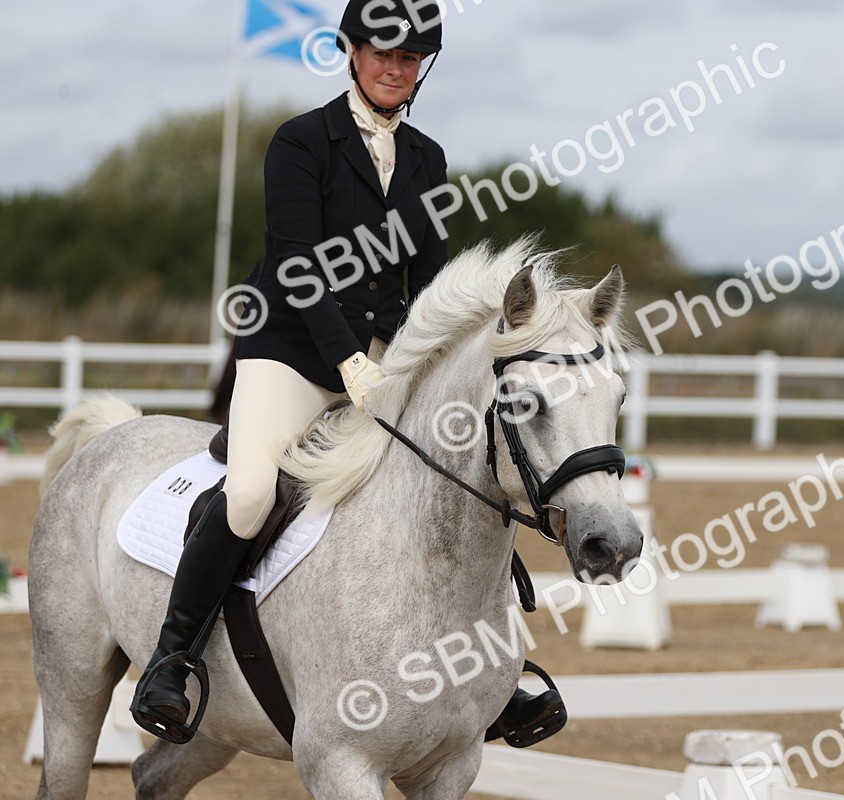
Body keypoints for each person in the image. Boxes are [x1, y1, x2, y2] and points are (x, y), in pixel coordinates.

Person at [131, 0, 564, 747]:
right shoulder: (301, 142)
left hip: (383, 356)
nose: (396, 70)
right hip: (290, 351)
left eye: (410, 59)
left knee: (463, 465)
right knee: (250, 492)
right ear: (352, 54)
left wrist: (429, 361)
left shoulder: (425, 157)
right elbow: (299, 267)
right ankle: (171, 660)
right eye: (382, 55)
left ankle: (493, 678)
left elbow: (431, 283)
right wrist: (349, 363)